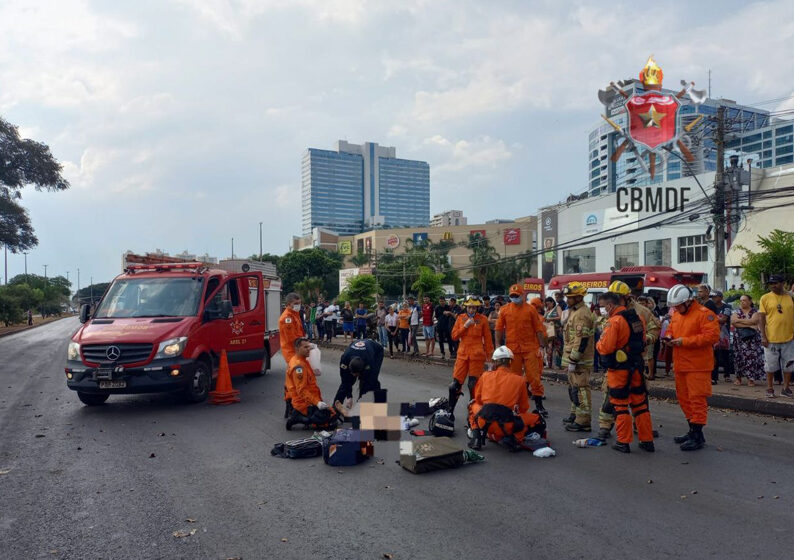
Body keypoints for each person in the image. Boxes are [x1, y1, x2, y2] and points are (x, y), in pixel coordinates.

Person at [596, 291, 655, 453]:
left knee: (620, 405)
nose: (601, 310)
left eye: (602, 307)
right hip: (636, 366)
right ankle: (647, 440)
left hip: (619, 369)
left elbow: (605, 347)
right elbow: (643, 341)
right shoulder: (637, 318)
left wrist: (598, 344)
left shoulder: (613, 322)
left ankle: (623, 441)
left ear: (610, 305)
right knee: (640, 404)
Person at [663, 284, 720, 451]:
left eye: (679, 305)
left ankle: (697, 434)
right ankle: (693, 431)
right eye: (674, 306)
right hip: (681, 364)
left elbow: (711, 337)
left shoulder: (705, 314)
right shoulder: (677, 314)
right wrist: (668, 337)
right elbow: (670, 329)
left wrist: (684, 341)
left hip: (698, 366)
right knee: (684, 399)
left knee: (697, 400)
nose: (676, 309)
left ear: (689, 301)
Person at [467, 346, 547, 451]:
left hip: (484, 422)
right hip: (507, 426)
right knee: (537, 419)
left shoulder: (485, 376)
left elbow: (478, 400)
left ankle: (476, 435)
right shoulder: (520, 380)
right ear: (510, 362)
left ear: (495, 362)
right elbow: (524, 408)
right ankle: (513, 438)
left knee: (472, 405)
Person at [496, 284, 547, 416]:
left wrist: (542, 346)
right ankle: (514, 404)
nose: (514, 298)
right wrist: (498, 346)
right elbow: (499, 328)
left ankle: (539, 405)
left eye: (516, 296)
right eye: (512, 296)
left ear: (522, 295)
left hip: (530, 348)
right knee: (514, 378)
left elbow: (538, 329)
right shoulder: (504, 310)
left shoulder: (530, 310)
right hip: (513, 350)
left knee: (534, 377)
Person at [448, 296, 494, 419]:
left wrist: (490, 360)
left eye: (474, 307)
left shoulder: (483, 319)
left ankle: (473, 415)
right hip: (462, 355)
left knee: (473, 386)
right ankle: (449, 412)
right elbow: (454, 336)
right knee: (454, 385)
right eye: (469, 307)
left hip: (477, 356)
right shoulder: (460, 318)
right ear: (466, 307)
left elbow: (488, 340)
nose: (472, 310)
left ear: (477, 308)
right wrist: (465, 326)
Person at [560, 282, 595, 432]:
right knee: (574, 388)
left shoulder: (582, 314)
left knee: (581, 390)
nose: (567, 300)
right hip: (573, 358)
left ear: (579, 297)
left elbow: (582, 340)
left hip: (579, 360)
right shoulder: (574, 311)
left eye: (571, 297)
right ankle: (575, 415)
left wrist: (574, 359)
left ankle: (583, 421)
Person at [285, 338, 338, 430]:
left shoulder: (301, 360)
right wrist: (317, 403)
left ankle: (302, 415)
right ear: (297, 349)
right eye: (305, 347)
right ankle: (299, 418)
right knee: (330, 421)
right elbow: (301, 390)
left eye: (309, 347)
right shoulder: (299, 367)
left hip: (310, 399)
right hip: (304, 402)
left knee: (332, 414)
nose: (308, 349)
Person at [758, 275, 794, 398]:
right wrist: (763, 336)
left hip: (789, 337)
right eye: (771, 283)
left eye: (776, 283)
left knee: (789, 364)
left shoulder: (791, 297)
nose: (773, 285)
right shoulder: (765, 298)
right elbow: (761, 317)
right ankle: (769, 388)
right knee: (770, 365)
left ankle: (786, 388)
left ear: (783, 283)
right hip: (771, 338)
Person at [333, 338, 384, 417]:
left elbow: (369, 378)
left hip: (377, 352)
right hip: (358, 351)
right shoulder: (344, 359)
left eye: (356, 374)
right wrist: (349, 396)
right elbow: (345, 380)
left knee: (370, 382)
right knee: (346, 383)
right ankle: (334, 411)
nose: (354, 376)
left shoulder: (369, 361)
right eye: (353, 373)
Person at [279, 292, 305, 417]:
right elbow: (293, 339)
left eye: (299, 303)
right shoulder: (287, 318)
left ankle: (293, 405)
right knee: (295, 380)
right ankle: (291, 405)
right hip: (292, 352)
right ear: (288, 304)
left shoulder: (295, 314)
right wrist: (305, 345)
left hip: (297, 351)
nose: (298, 306)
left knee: (295, 379)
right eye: (295, 304)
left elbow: (299, 333)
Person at [731, 294, 765, 386]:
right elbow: (734, 322)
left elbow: (754, 321)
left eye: (744, 300)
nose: (742, 302)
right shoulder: (736, 311)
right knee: (738, 357)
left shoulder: (755, 311)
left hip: (752, 339)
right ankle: (738, 379)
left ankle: (751, 379)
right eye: (741, 300)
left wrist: (740, 321)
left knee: (751, 358)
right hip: (739, 339)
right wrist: (749, 324)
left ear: (750, 301)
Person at [710, 290, 734, 384]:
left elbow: (723, 319)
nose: (713, 299)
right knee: (714, 355)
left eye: (715, 297)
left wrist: (712, 318)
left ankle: (727, 375)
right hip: (714, 334)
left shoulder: (727, 307)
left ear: (720, 297)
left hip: (724, 335)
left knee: (725, 356)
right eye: (712, 297)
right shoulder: (711, 307)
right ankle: (714, 376)